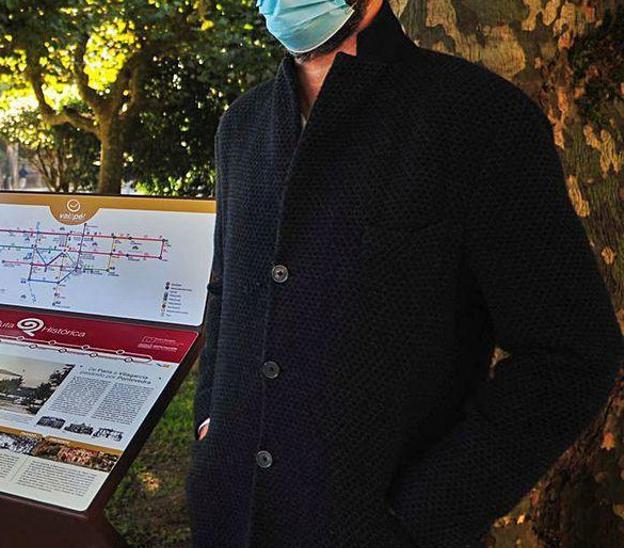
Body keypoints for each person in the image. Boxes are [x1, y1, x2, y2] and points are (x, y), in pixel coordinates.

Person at [187, 1, 624, 546]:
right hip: (230, 520)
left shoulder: (479, 120)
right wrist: (210, 425)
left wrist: (424, 512)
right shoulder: (241, 127)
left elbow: (572, 353)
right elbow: (226, 290)